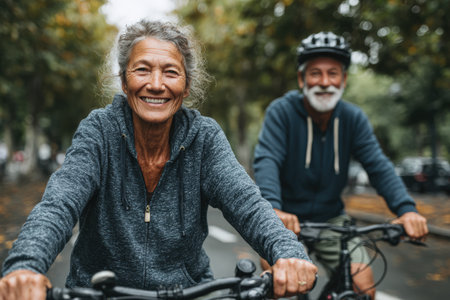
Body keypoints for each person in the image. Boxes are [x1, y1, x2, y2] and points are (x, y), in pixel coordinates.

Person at [0, 20, 317, 300]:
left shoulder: (204, 137)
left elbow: (249, 205)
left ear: (186, 86)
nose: (155, 84)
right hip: (98, 291)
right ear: (124, 82)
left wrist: (289, 254)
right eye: (142, 69)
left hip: (188, 290)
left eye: (170, 72)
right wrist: (24, 267)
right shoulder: (99, 129)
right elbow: (58, 206)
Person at [253, 31, 428, 299]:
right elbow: (268, 160)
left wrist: (406, 210)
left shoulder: (353, 118)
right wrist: (273, 209)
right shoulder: (282, 112)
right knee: (279, 282)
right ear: (302, 79)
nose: (325, 82)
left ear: (343, 79)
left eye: (333, 73)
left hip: (332, 219)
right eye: (315, 73)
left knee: (363, 286)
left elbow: (378, 165)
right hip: (286, 219)